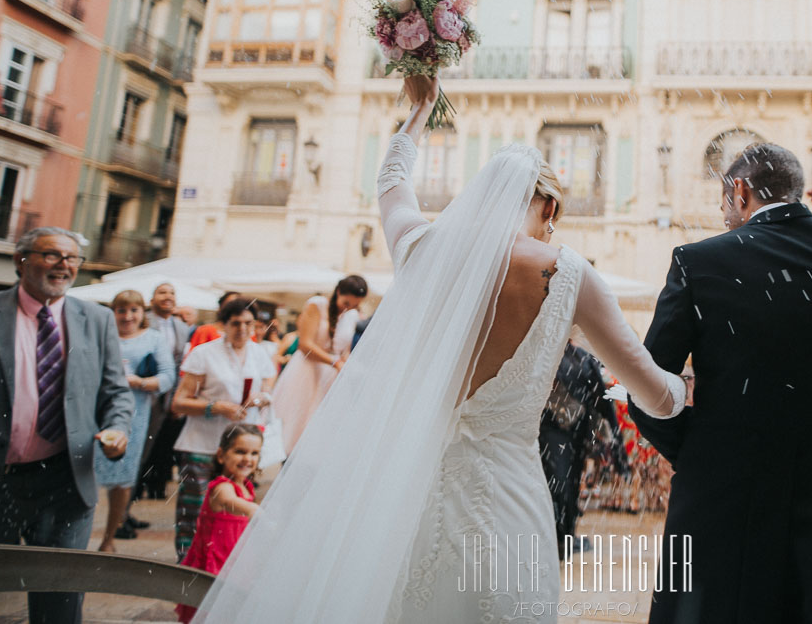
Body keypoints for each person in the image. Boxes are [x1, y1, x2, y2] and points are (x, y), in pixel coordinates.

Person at [192, 76, 685, 623]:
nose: (551, 228)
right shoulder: (569, 273)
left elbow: (391, 183)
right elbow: (653, 393)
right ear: (546, 203)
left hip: (409, 493)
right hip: (507, 497)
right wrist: (687, 386)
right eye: (555, 214)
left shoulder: (424, 251)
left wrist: (419, 111)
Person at [628, 145, 812, 624]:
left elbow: (645, 383)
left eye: (723, 199)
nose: (721, 212)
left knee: (716, 608)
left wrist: (695, 451)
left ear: (740, 191)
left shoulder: (698, 261)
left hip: (723, 488)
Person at [0, 226, 134, 624]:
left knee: (60, 598)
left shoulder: (97, 319)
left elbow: (116, 393)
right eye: (52, 255)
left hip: (65, 479)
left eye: (72, 258)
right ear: (21, 260)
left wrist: (118, 427)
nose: (64, 265)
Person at [171, 297, 275, 561]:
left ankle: (220, 564)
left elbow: (268, 390)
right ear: (223, 324)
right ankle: (186, 565)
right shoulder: (204, 353)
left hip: (240, 448)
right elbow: (180, 402)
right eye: (236, 323)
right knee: (193, 510)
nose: (242, 329)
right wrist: (216, 406)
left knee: (230, 511)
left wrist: (261, 399)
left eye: (248, 323)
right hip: (202, 443)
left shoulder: (260, 353)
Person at [95, 290, 175, 552]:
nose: (127, 316)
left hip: (134, 414)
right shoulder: (102, 334)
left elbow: (167, 377)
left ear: (143, 313)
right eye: (121, 310)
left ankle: (109, 537)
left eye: (133, 310)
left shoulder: (153, 338)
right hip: (94, 411)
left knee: (123, 475)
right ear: (113, 312)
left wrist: (139, 382)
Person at [539, 341, 625, 551]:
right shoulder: (545, 353)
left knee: (569, 483)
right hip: (548, 429)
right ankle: (555, 537)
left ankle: (565, 535)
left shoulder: (582, 357)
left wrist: (611, 438)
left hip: (575, 432)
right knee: (555, 482)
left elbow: (599, 399)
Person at [176, 423, 263, 624]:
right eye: (240, 452)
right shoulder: (222, 486)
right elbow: (228, 501)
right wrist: (254, 510)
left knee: (231, 610)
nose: (247, 459)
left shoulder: (246, 486)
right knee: (211, 611)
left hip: (236, 559)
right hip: (215, 561)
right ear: (221, 455)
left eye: (254, 453)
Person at [270, 276, 367, 454]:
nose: (348, 308)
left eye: (354, 305)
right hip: (306, 372)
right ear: (338, 292)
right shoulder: (318, 305)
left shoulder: (352, 315)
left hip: (332, 378)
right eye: (346, 302)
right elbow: (305, 344)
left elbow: (344, 350)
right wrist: (334, 362)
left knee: (323, 431)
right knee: (297, 425)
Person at [137, 282, 192, 503]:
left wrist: (176, 397)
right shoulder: (143, 320)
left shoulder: (181, 327)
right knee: (140, 447)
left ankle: (155, 487)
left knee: (160, 446)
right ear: (152, 300)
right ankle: (131, 496)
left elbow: (179, 364)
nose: (167, 296)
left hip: (168, 395)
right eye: (162, 292)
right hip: (143, 390)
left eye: (172, 292)